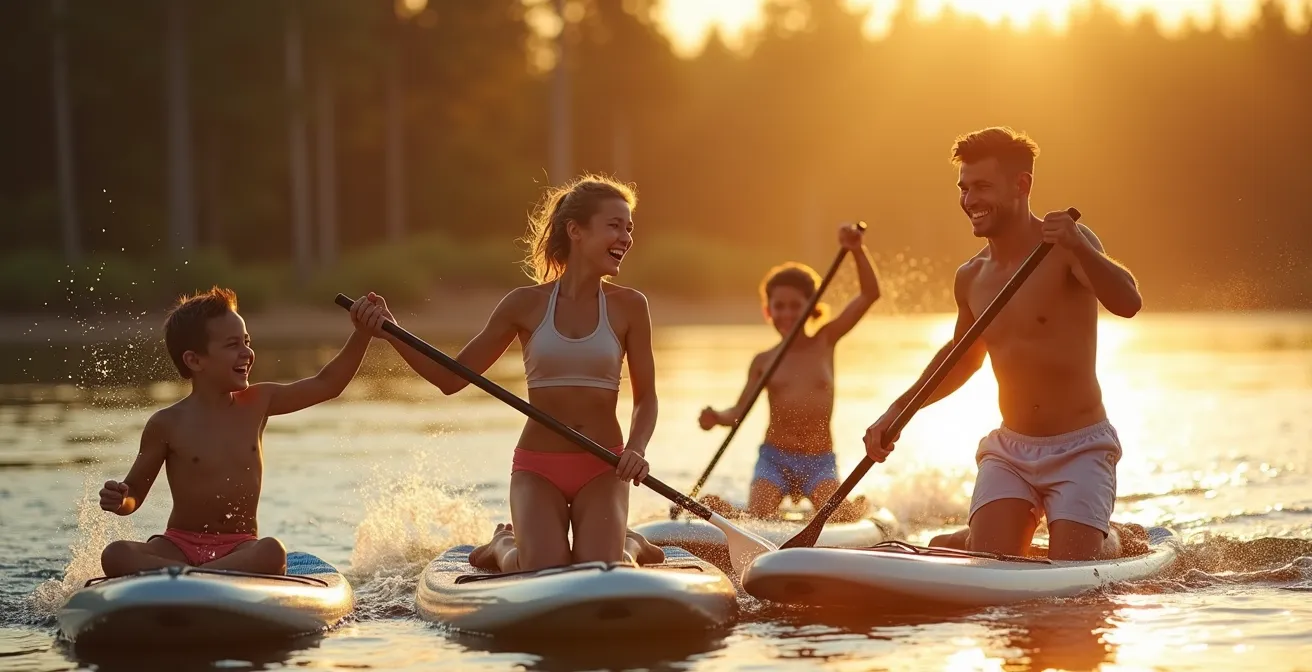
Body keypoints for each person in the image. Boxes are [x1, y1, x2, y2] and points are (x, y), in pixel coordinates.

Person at [862, 126, 1149, 561]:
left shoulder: (1066, 246)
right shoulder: (971, 276)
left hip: (1081, 446)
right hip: (1010, 451)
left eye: (982, 187)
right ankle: (970, 538)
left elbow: (1128, 302)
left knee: (1070, 570)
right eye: (964, 188)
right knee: (988, 560)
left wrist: (1079, 245)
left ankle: (1114, 537)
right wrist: (897, 412)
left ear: (1022, 185)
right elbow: (961, 358)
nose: (969, 200)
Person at [354, 174, 665, 572]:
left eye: (629, 228)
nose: (626, 237)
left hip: (604, 468)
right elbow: (452, 378)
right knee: (544, 571)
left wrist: (636, 448)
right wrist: (391, 332)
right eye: (614, 225)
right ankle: (503, 544)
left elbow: (646, 398)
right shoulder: (524, 304)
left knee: (601, 569)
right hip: (539, 468)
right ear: (576, 231)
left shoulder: (631, 307)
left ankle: (629, 543)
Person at [99, 287, 389, 577]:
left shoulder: (258, 403)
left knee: (272, 552)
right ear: (195, 360)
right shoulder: (166, 423)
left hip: (238, 547)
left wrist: (362, 333)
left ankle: (188, 575)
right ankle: (201, 574)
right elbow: (134, 494)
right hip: (177, 545)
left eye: (247, 342)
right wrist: (121, 499)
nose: (247, 353)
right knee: (115, 554)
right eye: (232, 345)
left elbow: (328, 384)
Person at [697, 222, 881, 522]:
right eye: (779, 306)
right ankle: (726, 510)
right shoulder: (764, 361)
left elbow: (870, 294)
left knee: (834, 516)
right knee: (759, 516)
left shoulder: (825, 340)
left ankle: (853, 507)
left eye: (796, 306)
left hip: (819, 460)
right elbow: (738, 412)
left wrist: (856, 250)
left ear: (813, 308)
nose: (787, 314)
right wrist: (716, 417)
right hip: (775, 459)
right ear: (768, 311)